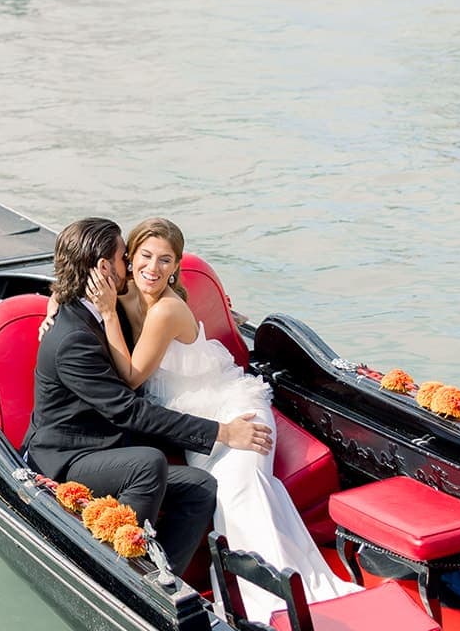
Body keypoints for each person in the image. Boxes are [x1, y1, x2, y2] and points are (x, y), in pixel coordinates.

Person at [86, 217, 358, 622]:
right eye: (144, 256)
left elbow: (131, 377)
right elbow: (71, 292)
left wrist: (108, 316)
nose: (153, 269)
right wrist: (56, 308)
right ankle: (278, 591)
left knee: (235, 491)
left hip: (233, 411)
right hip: (196, 426)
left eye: (165, 260)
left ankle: (278, 604)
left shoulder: (166, 310)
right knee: (233, 491)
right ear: (130, 257)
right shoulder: (123, 295)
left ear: (176, 266)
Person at [23, 218, 273, 578]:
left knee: (201, 487)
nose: (133, 265)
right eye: (126, 257)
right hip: (67, 458)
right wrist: (221, 432)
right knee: (147, 463)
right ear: (105, 268)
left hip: (104, 441)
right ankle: (120, 572)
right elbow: (128, 410)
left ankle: (164, 580)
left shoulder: (103, 309)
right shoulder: (73, 338)